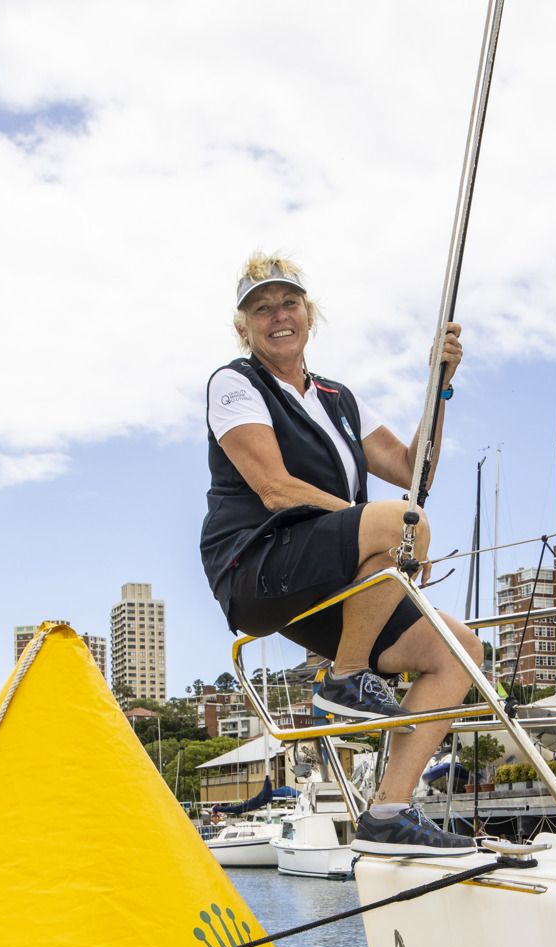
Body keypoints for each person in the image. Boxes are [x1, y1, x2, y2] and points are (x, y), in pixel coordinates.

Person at [200, 253, 483, 857]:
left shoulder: (338, 400)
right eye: (261, 308)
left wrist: (439, 386)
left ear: (310, 315)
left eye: (289, 303)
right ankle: (345, 678)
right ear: (244, 328)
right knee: (400, 523)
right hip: (255, 564)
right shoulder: (235, 384)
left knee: (459, 651)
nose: (278, 315)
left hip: (327, 577)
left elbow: (413, 471)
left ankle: (389, 814)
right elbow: (275, 489)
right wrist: (390, 530)